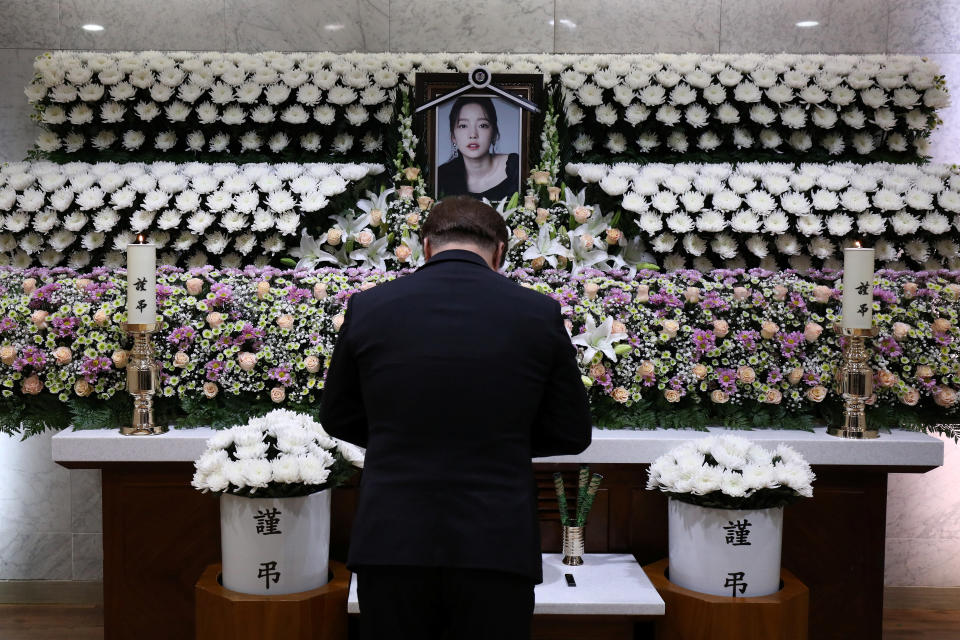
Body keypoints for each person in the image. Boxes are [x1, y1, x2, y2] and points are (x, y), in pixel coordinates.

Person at [320, 196, 592, 640]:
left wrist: (395, 437)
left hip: (393, 538)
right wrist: (505, 439)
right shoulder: (537, 313)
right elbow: (572, 432)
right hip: (496, 539)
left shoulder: (369, 307)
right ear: (500, 252)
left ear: (426, 246)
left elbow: (337, 416)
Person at [436, 96, 520, 201]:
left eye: (482, 125)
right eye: (463, 126)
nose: (473, 134)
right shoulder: (441, 177)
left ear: (494, 133)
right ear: (453, 136)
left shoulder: (515, 167)